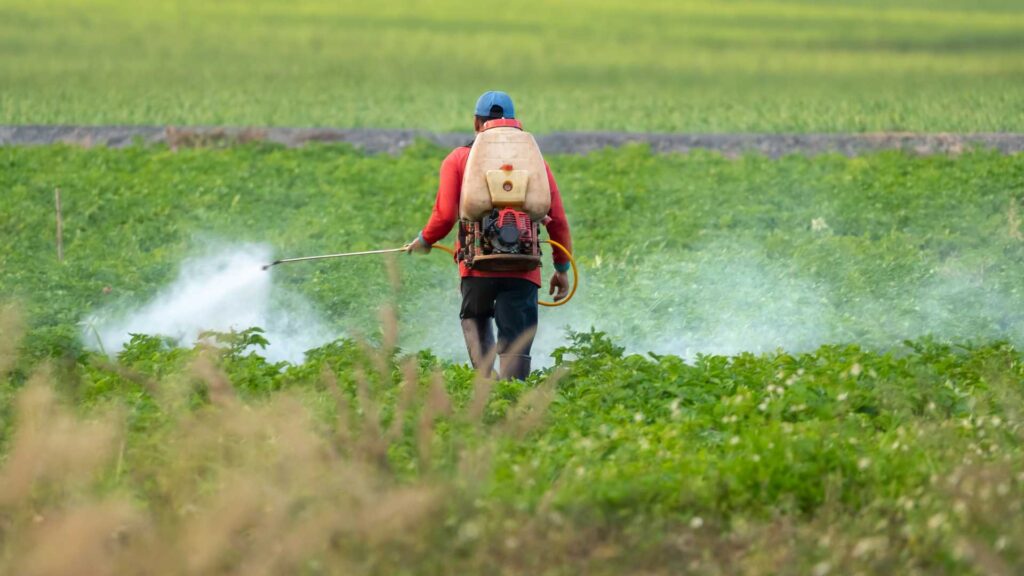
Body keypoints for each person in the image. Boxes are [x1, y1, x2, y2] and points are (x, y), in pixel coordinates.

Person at [405, 91, 572, 380]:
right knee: (516, 337)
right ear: (514, 124)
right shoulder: (534, 163)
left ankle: (486, 384)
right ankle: (513, 395)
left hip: (476, 266)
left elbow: (445, 216)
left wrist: (425, 240)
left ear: (476, 123)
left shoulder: (458, 159)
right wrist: (561, 268)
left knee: (475, 317)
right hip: (523, 266)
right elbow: (556, 219)